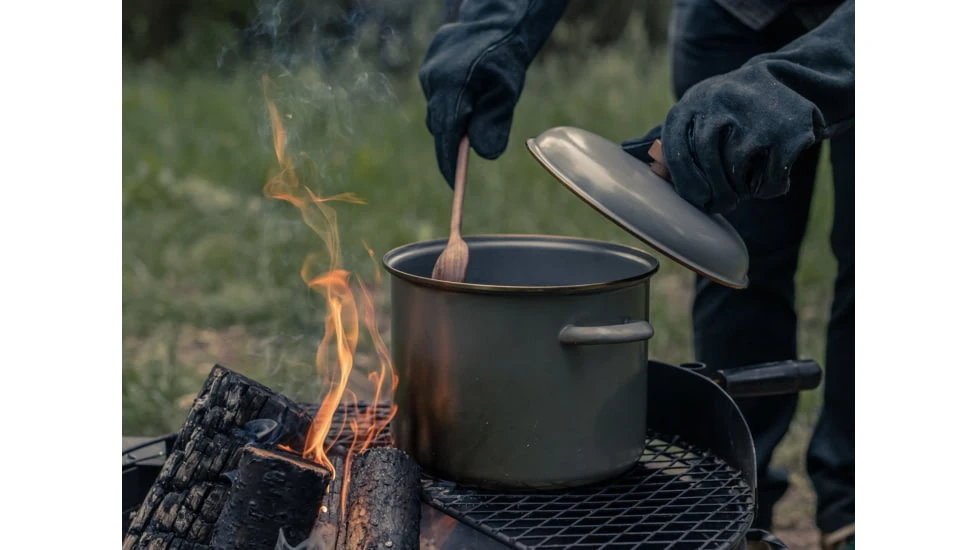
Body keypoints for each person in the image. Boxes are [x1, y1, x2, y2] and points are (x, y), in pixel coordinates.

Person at [417, 1, 854, 549]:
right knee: (737, 256)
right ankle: (742, 509)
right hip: (737, 12)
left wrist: (794, 84)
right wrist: (496, 26)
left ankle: (856, 504)